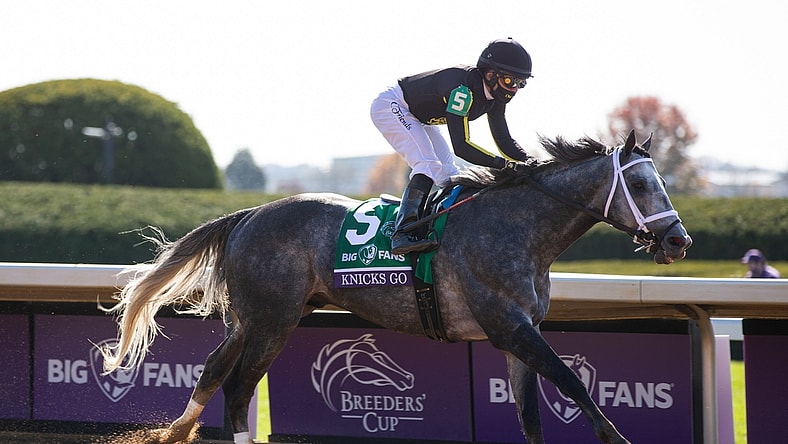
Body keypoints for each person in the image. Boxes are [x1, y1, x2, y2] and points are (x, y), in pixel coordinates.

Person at [371, 38, 533, 255]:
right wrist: (504, 165)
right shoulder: (463, 91)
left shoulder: (494, 96)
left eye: (520, 83)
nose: (514, 89)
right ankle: (403, 232)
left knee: (449, 174)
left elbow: (504, 141)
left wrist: (531, 162)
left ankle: (444, 225)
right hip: (393, 105)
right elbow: (462, 147)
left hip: (419, 117)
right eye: (509, 80)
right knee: (427, 164)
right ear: (490, 74)